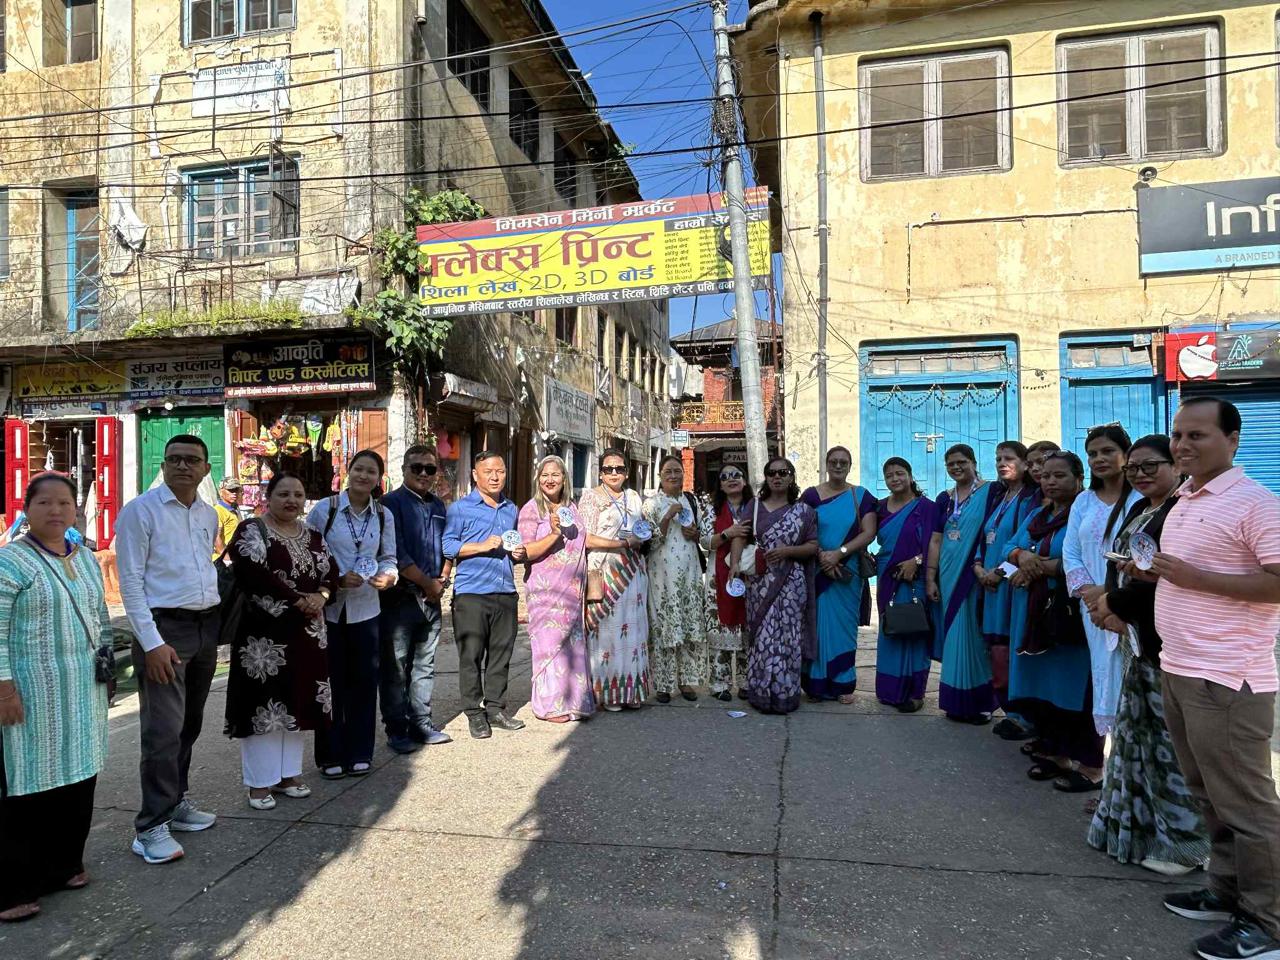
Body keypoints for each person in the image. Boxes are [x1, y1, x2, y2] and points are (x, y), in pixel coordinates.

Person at [1148, 397, 1280, 960]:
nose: (1182, 445)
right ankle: (1228, 892)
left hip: (1226, 677)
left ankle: (1269, 923)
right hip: (1180, 667)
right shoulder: (1185, 498)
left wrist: (1194, 578)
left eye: (1197, 435)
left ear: (1232, 440)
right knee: (1209, 794)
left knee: (1246, 805)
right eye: (1178, 435)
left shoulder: (1256, 504)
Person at [1083, 436, 1209, 877]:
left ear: (1176, 466)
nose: (1139, 474)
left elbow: (1164, 581)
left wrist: (1115, 605)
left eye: (1149, 466)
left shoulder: (1181, 513)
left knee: (1169, 748)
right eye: (1133, 468)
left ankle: (1185, 845)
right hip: (1137, 641)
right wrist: (1110, 605)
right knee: (1137, 738)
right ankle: (1134, 828)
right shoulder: (1142, 509)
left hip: (1167, 643)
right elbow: (1122, 567)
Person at [0, 474, 111, 922]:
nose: (56, 510)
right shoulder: (10, 561)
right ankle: (13, 888)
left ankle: (64, 865)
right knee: (26, 784)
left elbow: (100, 616)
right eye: (44, 502)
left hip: (82, 690)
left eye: (64, 502)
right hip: (29, 693)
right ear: (27, 509)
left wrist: (107, 667)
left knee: (79, 775)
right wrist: (3, 688)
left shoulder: (84, 558)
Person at [116, 434, 221, 865]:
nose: (182, 466)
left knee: (189, 724)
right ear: (163, 465)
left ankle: (176, 802)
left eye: (191, 460)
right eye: (174, 459)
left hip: (204, 628)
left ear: (205, 469)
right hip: (164, 631)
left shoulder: (209, 514)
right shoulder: (140, 512)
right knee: (163, 731)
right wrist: (152, 642)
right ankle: (150, 826)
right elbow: (130, 583)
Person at [224, 474, 338, 810]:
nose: (292, 500)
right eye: (284, 494)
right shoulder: (251, 530)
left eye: (298, 495)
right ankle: (259, 783)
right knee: (264, 708)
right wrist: (298, 599)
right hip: (263, 638)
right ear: (268, 497)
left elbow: (331, 571)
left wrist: (322, 595)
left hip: (307, 634)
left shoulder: (313, 534)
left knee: (297, 702)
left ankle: (288, 775)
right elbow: (253, 571)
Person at [1006, 452, 1104, 794]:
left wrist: (1042, 567)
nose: (1049, 481)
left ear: (1079, 478)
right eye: (1045, 475)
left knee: (1075, 691)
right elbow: (1010, 545)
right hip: (1035, 612)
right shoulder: (1039, 514)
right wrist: (1023, 556)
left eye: (1059, 475)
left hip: (1069, 613)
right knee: (1044, 687)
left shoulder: (1087, 514)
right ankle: (1055, 753)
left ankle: (1090, 765)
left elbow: (1088, 559)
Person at [306, 450, 398, 778]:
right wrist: (335, 579)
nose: (363, 476)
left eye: (371, 472)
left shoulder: (383, 515)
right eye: (358, 469)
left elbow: (389, 557)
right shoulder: (325, 509)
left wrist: (389, 576)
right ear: (348, 471)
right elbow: (307, 555)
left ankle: (360, 752)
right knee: (331, 684)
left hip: (366, 609)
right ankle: (330, 755)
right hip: (329, 611)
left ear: (379, 478)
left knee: (363, 683)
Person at [444, 451, 527, 738]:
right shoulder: (460, 509)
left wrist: (518, 553)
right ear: (475, 475)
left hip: (505, 591)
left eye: (500, 471)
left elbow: (514, 546)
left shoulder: (511, 509)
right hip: (471, 593)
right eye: (488, 471)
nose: (494, 477)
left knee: (501, 655)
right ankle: (474, 713)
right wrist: (481, 546)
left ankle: (496, 708)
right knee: (471, 656)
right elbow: (448, 546)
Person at [1064, 424, 1141, 735]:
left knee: (1135, 670)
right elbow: (1071, 553)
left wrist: (1110, 592)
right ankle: (1112, 747)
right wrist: (1090, 594)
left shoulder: (1141, 498)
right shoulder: (1083, 501)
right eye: (1092, 454)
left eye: (1108, 451)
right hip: (1092, 606)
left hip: (1133, 600)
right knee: (1103, 669)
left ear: (1126, 454)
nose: (1099, 458)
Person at [379, 445, 453, 753]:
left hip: (431, 599)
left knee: (425, 665)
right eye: (417, 467)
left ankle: (421, 723)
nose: (423, 474)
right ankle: (397, 730)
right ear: (404, 470)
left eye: (430, 469)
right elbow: (395, 552)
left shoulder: (438, 505)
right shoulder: (389, 504)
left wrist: (443, 577)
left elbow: (449, 544)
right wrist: (427, 583)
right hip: (400, 600)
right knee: (396, 669)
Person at [732, 457, 818, 715]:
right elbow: (740, 536)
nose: (777, 477)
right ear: (766, 477)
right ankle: (760, 693)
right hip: (759, 582)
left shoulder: (803, 511)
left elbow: (813, 546)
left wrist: (787, 551)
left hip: (791, 583)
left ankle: (785, 694)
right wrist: (734, 565)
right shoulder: (754, 506)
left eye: (783, 472)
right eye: (772, 473)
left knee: (788, 637)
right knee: (762, 636)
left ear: (791, 477)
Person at [518, 456, 594, 723]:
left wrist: (623, 544)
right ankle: (549, 706)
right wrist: (553, 534)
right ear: (538, 479)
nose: (550, 480)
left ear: (564, 479)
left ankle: (575, 702)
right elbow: (525, 552)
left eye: (555, 474)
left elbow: (584, 541)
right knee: (549, 647)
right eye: (544, 475)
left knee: (572, 648)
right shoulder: (531, 510)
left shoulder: (572, 508)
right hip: (545, 592)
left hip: (572, 591)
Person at [799, 446, 877, 704]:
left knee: (844, 629)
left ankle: (843, 683)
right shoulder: (810, 496)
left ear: (850, 465)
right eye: (833, 461)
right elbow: (801, 529)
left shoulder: (861, 496)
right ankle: (815, 685)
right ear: (826, 463)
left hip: (847, 573)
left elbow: (869, 532)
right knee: (817, 628)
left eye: (844, 462)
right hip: (817, 570)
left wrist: (839, 553)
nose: (838, 466)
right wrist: (823, 555)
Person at [974, 442, 1041, 741]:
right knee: (996, 650)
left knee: (1012, 649)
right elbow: (984, 538)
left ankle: (1021, 716)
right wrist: (979, 568)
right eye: (998, 458)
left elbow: (1025, 545)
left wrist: (999, 573)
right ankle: (1009, 711)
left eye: (1009, 458)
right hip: (989, 586)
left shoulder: (1031, 500)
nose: (1002, 463)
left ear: (1025, 464)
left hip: (1011, 585)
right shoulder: (998, 497)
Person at [926, 444, 997, 724]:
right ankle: (955, 703)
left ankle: (981, 704)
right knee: (954, 635)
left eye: (961, 462)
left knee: (974, 635)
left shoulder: (992, 492)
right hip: (947, 574)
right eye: (950, 464)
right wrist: (930, 577)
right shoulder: (944, 498)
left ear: (973, 462)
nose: (956, 467)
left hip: (975, 573)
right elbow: (935, 539)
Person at [580, 450, 650, 712]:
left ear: (627, 473)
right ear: (600, 473)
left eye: (619, 469)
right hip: (605, 572)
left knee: (634, 633)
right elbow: (586, 538)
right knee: (607, 634)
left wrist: (640, 539)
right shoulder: (591, 498)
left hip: (633, 574)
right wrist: (621, 544)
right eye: (608, 469)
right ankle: (609, 694)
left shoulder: (634, 498)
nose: (613, 473)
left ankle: (632, 691)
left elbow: (642, 530)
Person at [643, 456, 708, 702]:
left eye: (677, 471)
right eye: (668, 471)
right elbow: (649, 541)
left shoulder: (691, 500)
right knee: (664, 626)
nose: (673, 475)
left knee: (688, 624)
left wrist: (695, 533)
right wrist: (668, 516)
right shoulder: (651, 504)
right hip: (662, 576)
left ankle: (686, 681)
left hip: (690, 574)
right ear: (660, 476)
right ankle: (663, 684)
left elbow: (703, 535)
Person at [874, 458, 936, 712]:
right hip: (887, 575)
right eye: (889, 475)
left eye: (900, 473)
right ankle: (889, 690)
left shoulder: (927, 508)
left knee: (914, 629)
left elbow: (936, 543)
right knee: (890, 628)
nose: (895, 479)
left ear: (910, 476)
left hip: (915, 577)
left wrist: (917, 561)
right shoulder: (879, 508)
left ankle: (915, 693)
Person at [704, 466, 754, 702]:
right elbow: (705, 541)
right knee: (719, 630)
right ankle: (719, 684)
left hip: (749, 575)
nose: (731, 479)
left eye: (736, 475)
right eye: (725, 477)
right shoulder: (711, 510)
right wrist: (728, 533)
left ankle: (746, 682)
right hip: (718, 577)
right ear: (720, 485)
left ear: (744, 481)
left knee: (747, 630)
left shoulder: (755, 508)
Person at [212, 477, 244, 560]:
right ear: (221, 492)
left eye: (236, 490)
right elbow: (215, 537)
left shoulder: (235, 508)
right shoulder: (218, 510)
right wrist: (226, 558)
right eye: (231, 490)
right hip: (224, 559)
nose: (234, 493)